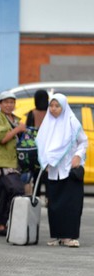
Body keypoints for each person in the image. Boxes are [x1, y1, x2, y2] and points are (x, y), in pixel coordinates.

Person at [36, 94, 87, 248]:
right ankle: (58, 235)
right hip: (52, 171)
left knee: (71, 205)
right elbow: (42, 144)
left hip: (70, 170)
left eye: (57, 106)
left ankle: (69, 237)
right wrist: (44, 160)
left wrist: (78, 156)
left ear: (63, 106)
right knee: (54, 205)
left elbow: (83, 141)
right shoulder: (47, 123)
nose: (53, 109)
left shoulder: (71, 121)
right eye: (51, 106)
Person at [0, 91, 27, 237]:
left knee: (6, 193)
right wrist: (18, 129)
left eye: (12, 102)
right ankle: (13, 222)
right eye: (6, 102)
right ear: (0, 104)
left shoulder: (16, 119)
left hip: (15, 162)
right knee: (17, 190)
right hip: (2, 163)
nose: (9, 105)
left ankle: (1, 225)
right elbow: (2, 138)